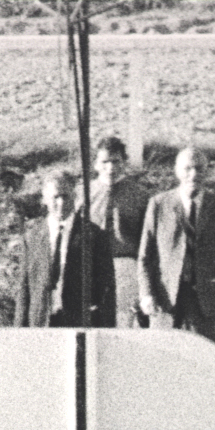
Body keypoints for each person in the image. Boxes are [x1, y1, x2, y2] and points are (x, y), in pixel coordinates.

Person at [137, 146, 215, 340]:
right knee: (161, 357)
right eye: (187, 169)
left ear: (207, 171)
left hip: (203, 300)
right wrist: (146, 294)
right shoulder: (159, 204)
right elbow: (145, 256)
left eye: (200, 169)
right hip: (164, 297)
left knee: (202, 359)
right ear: (177, 171)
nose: (193, 175)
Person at [15, 167, 115, 328]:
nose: (61, 203)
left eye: (65, 196)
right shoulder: (31, 237)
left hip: (78, 324)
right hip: (41, 323)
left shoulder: (94, 236)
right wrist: (18, 333)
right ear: (45, 199)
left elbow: (107, 290)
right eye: (55, 197)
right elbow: (24, 289)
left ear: (75, 196)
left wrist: (106, 329)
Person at [89, 137, 149, 329]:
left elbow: (147, 241)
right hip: (92, 266)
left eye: (116, 161)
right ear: (95, 164)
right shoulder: (83, 194)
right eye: (105, 162)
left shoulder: (139, 195)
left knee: (123, 322)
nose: (110, 168)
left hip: (125, 267)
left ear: (124, 162)